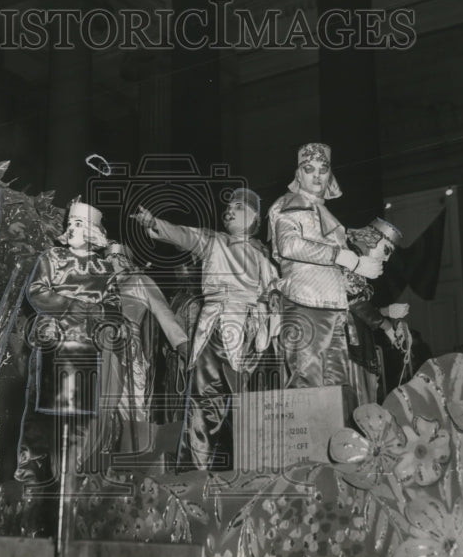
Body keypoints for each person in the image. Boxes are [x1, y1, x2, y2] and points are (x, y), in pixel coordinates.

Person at [135, 188, 278, 471]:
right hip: (219, 324)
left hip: (255, 332)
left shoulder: (264, 255)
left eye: (238, 206)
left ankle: (251, 468)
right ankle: (196, 472)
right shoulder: (215, 241)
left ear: (253, 216)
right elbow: (184, 235)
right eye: (228, 206)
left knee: (250, 402)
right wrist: (155, 223)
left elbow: (274, 290)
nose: (230, 210)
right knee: (204, 397)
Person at [17, 199, 123, 483]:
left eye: (78, 224)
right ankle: (33, 469)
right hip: (54, 339)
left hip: (87, 347)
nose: (71, 229)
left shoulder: (105, 269)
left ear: (93, 231)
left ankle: (68, 473)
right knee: (42, 407)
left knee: (79, 416)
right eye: (69, 224)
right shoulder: (51, 258)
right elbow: (37, 291)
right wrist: (68, 306)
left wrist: (98, 312)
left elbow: (115, 307)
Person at [267, 143, 384, 398]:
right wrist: (345, 257)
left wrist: (360, 269)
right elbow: (289, 245)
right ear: (298, 175)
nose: (317, 175)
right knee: (307, 383)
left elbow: (340, 263)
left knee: (337, 386)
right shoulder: (288, 204)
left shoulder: (325, 211)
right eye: (309, 169)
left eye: (323, 169)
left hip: (334, 305)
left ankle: (337, 438)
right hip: (304, 300)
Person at [105, 242, 189, 443]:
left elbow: (163, 311)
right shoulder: (98, 286)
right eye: (106, 258)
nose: (107, 262)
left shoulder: (139, 280)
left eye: (113, 258)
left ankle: (135, 457)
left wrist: (181, 344)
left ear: (124, 260)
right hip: (100, 348)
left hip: (127, 348)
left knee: (128, 403)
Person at [344, 217, 409, 408]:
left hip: (359, 346)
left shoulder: (358, 270)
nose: (387, 258)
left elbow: (360, 307)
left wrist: (387, 312)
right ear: (371, 239)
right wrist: (386, 325)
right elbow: (354, 303)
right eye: (386, 250)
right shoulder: (348, 261)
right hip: (347, 348)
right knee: (358, 401)